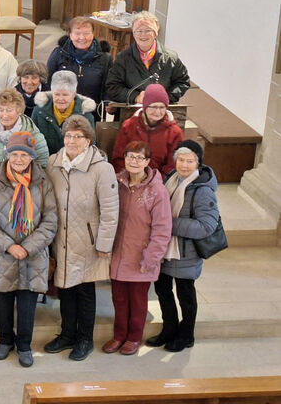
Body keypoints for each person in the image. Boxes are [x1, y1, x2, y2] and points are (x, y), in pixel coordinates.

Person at [43, 115, 118, 361]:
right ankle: (67, 334)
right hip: (61, 238)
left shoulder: (102, 168)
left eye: (78, 136)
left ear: (88, 140)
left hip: (87, 241)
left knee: (84, 291)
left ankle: (85, 339)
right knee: (65, 289)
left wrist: (104, 243)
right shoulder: (54, 162)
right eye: (68, 135)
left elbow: (110, 210)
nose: (72, 140)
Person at [0, 132, 57, 368]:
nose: (19, 159)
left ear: (32, 157)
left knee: (27, 305)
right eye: (15, 154)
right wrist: (10, 246)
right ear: (7, 155)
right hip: (3, 253)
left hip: (33, 255)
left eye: (24, 155)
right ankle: (5, 340)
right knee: (2, 302)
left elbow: (50, 220)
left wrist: (28, 247)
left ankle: (24, 345)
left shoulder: (43, 181)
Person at [147, 140, 219, 353]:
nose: (184, 165)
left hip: (186, 252)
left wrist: (169, 224)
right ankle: (169, 330)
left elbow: (207, 226)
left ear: (198, 163)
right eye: (181, 160)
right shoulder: (170, 179)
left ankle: (187, 335)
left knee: (185, 295)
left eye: (190, 161)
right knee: (162, 291)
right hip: (164, 249)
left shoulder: (202, 190)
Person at [103, 140, 171, 356]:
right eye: (130, 156)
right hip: (118, 254)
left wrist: (151, 258)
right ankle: (119, 335)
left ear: (147, 162)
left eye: (139, 158)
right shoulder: (117, 183)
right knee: (119, 299)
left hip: (141, 256)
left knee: (138, 301)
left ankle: (134, 337)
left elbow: (162, 229)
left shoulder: (157, 191)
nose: (134, 161)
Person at [0, 88, 50, 189]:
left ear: (19, 111)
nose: (5, 115)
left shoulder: (34, 135)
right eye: (1, 110)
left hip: (24, 192)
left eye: (9, 110)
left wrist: (18, 181)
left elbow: (42, 167)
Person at [105, 11, 191, 104]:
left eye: (148, 30)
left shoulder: (170, 58)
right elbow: (112, 86)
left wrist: (165, 97)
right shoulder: (123, 58)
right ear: (133, 33)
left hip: (161, 108)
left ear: (156, 33)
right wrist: (135, 97)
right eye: (139, 31)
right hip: (133, 109)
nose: (143, 35)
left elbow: (183, 82)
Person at [111, 83, 184, 175]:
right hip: (130, 177)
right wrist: (128, 178)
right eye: (153, 107)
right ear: (145, 107)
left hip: (160, 180)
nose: (158, 112)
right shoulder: (128, 126)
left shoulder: (175, 132)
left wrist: (156, 180)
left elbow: (172, 165)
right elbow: (118, 159)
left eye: (162, 107)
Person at [46, 16, 112, 105]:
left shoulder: (105, 58)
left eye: (87, 33)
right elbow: (47, 81)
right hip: (62, 107)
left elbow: (109, 87)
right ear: (70, 35)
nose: (82, 37)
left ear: (93, 34)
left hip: (92, 108)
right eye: (77, 33)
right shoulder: (59, 53)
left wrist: (106, 104)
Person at [31, 70, 97, 155]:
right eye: (57, 94)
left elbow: (90, 146)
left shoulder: (86, 115)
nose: (60, 99)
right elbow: (32, 140)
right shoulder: (39, 111)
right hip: (45, 160)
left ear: (74, 94)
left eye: (65, 95)